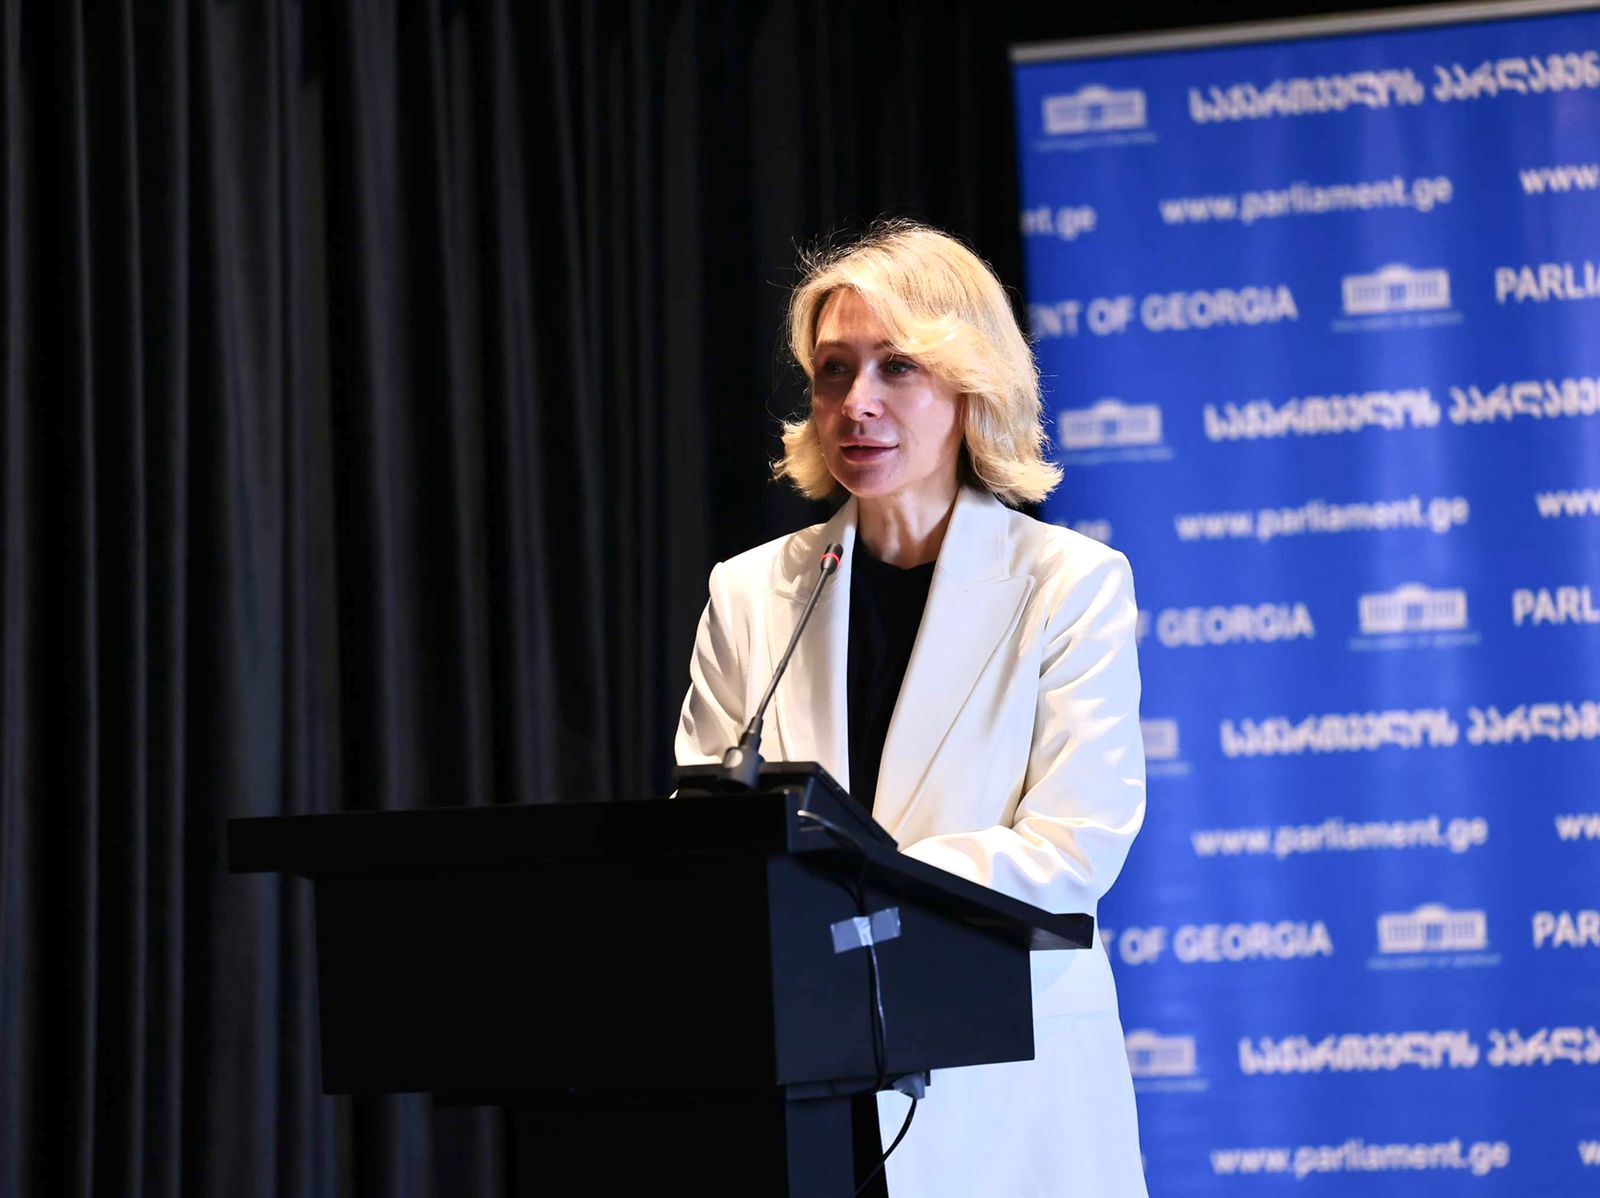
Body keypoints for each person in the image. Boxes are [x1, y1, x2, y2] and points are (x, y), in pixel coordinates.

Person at [674, 219, 1148, 1197]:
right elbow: (704, 839)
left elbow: (1073, 848)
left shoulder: (1068, 585)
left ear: (972, 385)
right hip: (800, 1084)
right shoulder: (750, 592)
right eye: (833, 371)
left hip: (1004, 1093)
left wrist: (852, 893)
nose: (857, 401)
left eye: (897, 367)